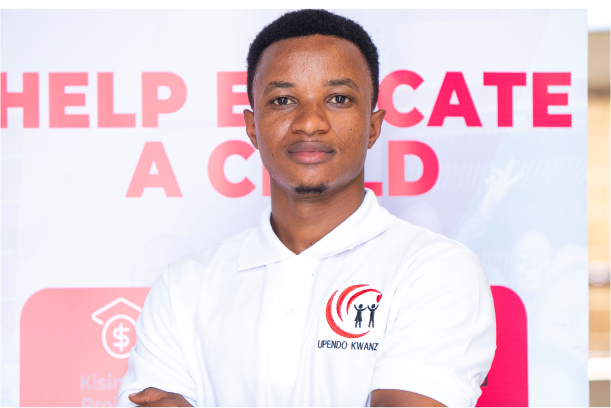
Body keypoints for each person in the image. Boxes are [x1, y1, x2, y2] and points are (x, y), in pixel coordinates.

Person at [118, 9, 495, 408]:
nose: (310, 122)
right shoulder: (183, 288)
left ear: (373, 125)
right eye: (283, 99)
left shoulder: (434, 269)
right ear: (252, 127)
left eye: (338, 99)